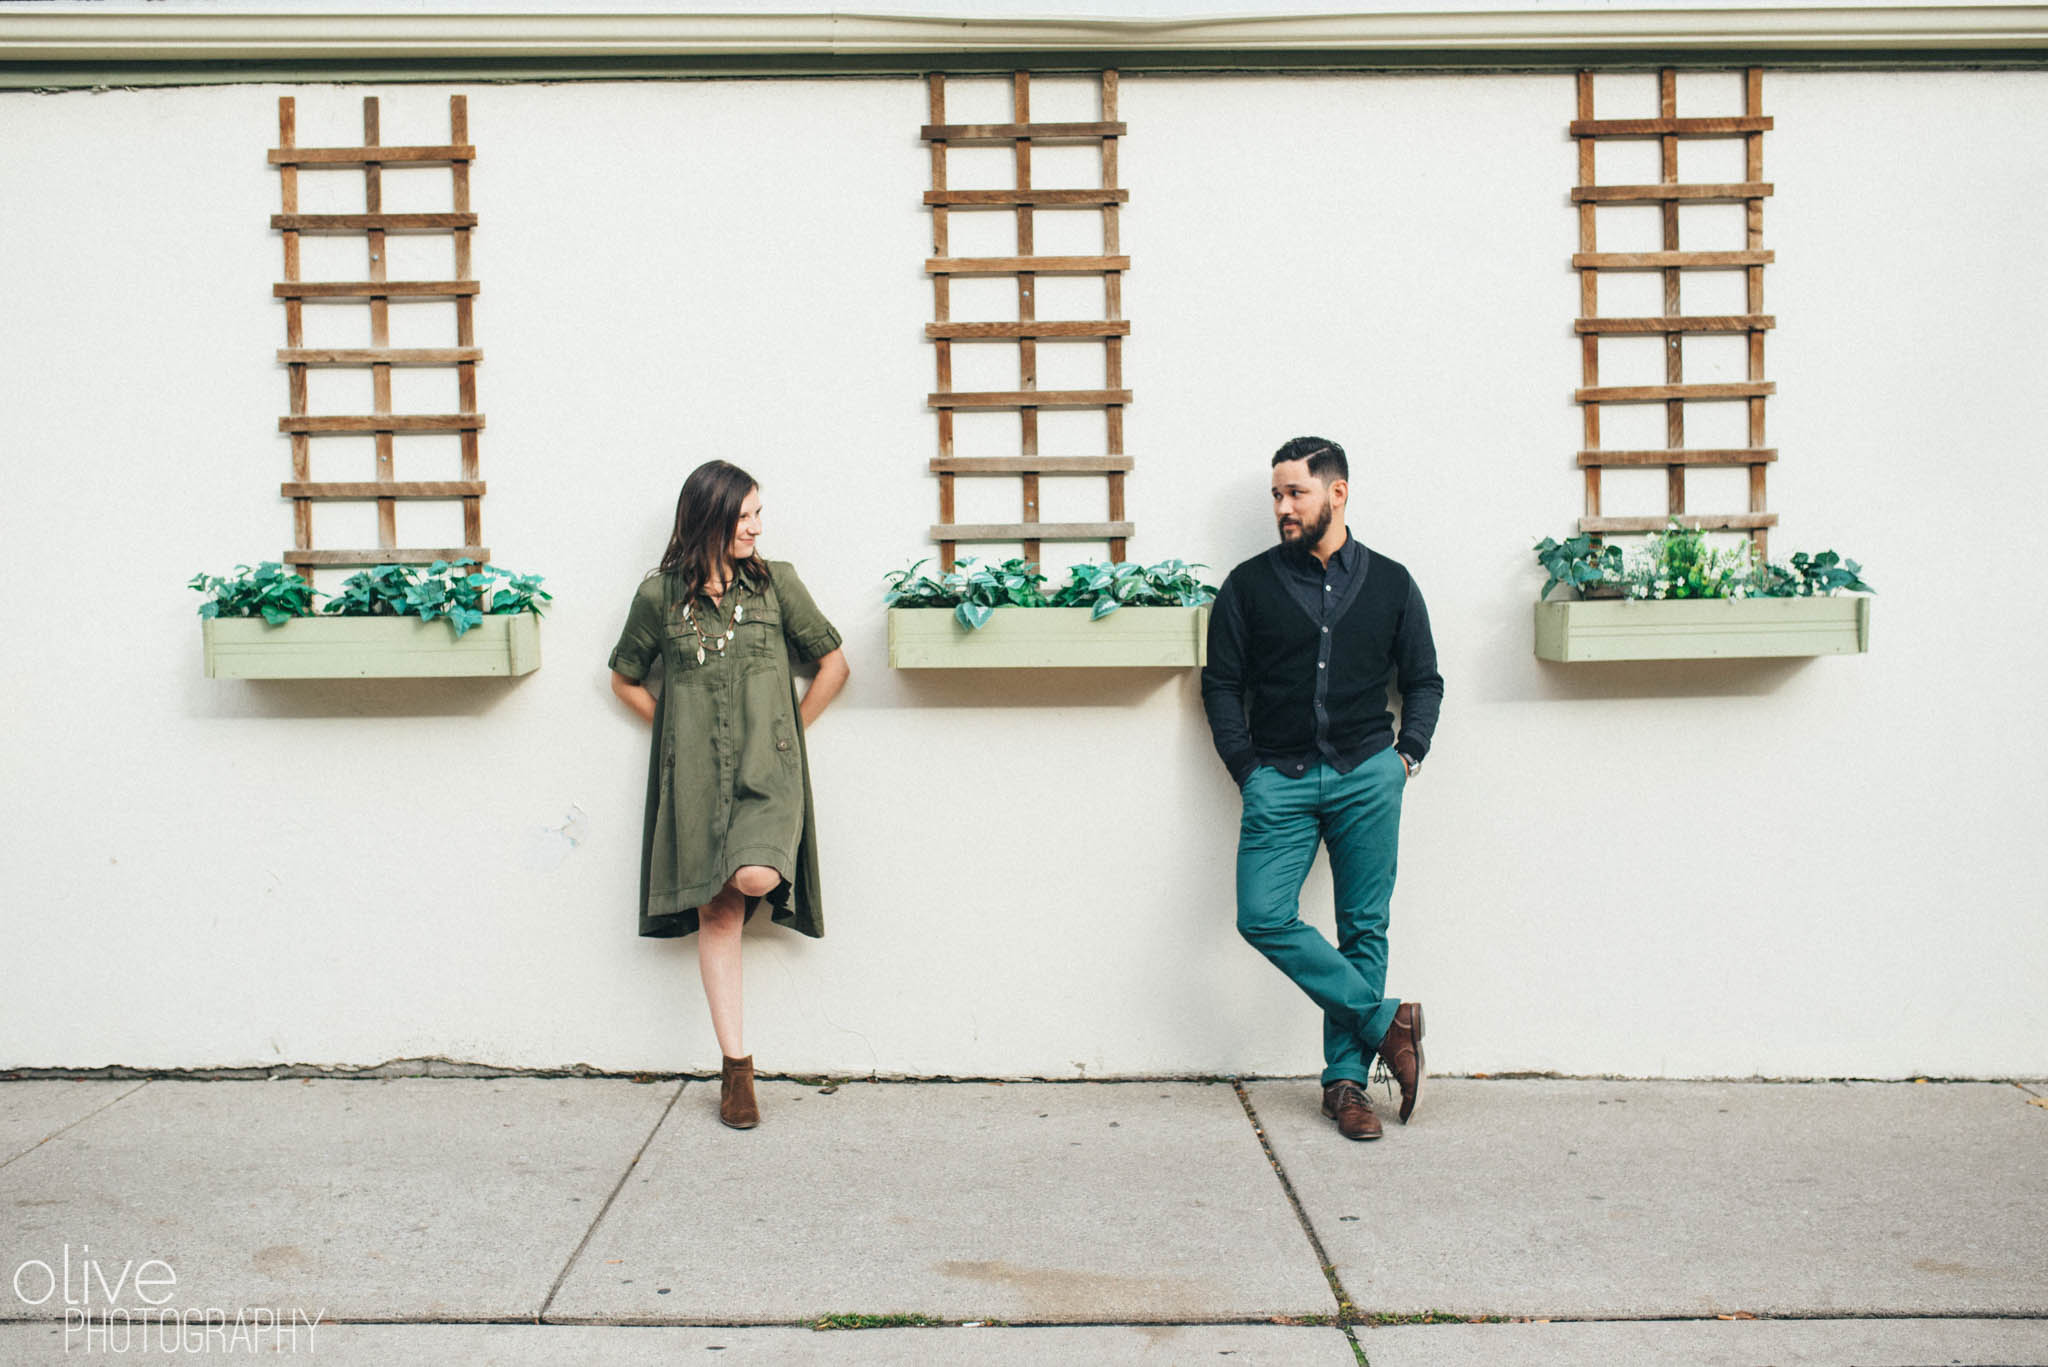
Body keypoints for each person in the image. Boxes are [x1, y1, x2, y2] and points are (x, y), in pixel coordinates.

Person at [1200, 436, 1443, 1142]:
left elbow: (1423, 677)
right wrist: (1248, 769)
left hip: (1370, 772)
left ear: (1337, 493)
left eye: (1295, 493)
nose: (1282, 506)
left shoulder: (1393, 583)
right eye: (1276, 494)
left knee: (1364, 927)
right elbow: (1221, 685)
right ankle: (1387, 1021)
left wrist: (1408, 757)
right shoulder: (1248, 586)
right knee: (1261, 913)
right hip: (1279, 778)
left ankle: (1346, 1084)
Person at [608, 460, 849, 1130]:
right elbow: (624, 678)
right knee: (717, 915)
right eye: (746, 516)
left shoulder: (778, 585)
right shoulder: (659, 598)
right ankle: (737, 1069)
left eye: (758, 515)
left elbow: (834, 662)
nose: (756, 527)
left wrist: (789, 732)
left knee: (754, 873)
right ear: (710, 517)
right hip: (696, 779)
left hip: (767, 774)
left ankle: (736, 1059)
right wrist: (673, 731)